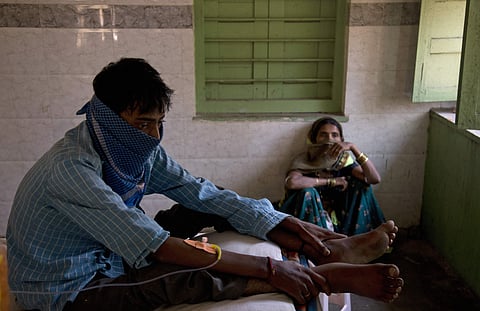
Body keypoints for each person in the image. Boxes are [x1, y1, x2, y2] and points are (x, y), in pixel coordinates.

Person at [6, 58, 403, 311]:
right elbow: (154, 245)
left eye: (159, 123)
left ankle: (324, 245)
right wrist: (268, 269)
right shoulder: (72, 170)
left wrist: (298, 226)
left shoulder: (132, 146)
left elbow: (201, 191)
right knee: (174, 277)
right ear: (108, 118)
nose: (154, 135)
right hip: (69, 286)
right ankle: (325, 276)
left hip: (109, 249)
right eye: (144, 123)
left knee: (207, 204)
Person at [278, 117, 386, 235]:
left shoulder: (343, 161)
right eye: (323, 135)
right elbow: (292, 182)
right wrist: (332, 181)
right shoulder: (305, 160)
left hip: (341, 220)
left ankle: (356, 241)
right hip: (309, 221)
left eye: (334, 135)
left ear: (341, 139)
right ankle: (311, 247)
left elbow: (374, 179)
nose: (329, 139)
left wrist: (353, 148)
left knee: (361, 185)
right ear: (314, 138)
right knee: (307, 192)